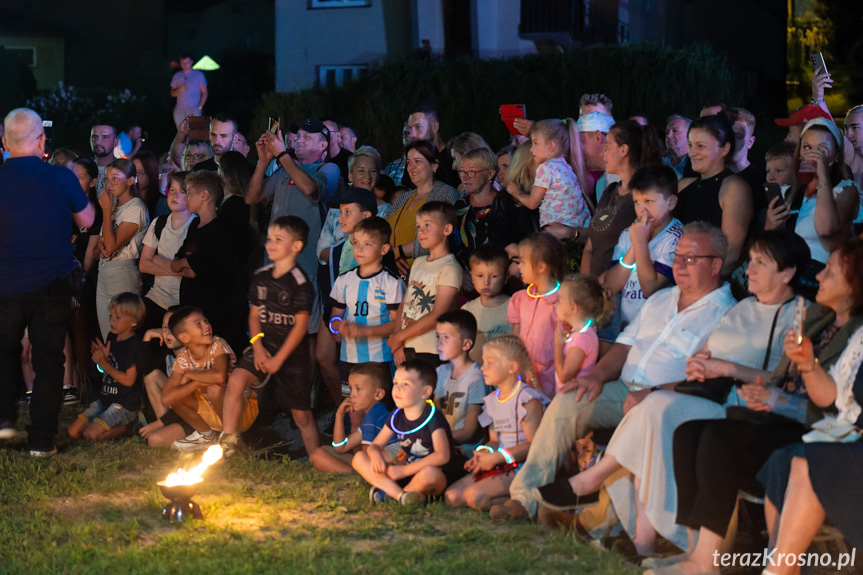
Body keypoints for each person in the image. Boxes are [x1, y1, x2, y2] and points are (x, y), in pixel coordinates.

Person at [535, 231, 809, 557]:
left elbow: (790, 380)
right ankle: (642, 541)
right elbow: (707, 357)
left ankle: (593, 485)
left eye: (760, 263)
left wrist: (728, 369)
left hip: (750, 411)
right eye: (750, 261)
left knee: (654, 404)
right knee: (651, 408)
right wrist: (700, 365)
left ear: (788, 272)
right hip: (713, 399)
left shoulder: (799, 315)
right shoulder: (744, 308)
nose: (748, 269)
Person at [494, 223, 736, 522]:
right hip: (623, 387)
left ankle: (592, 513)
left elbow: (710, 377)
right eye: (678, 256)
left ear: (715, 265)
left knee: (631, 418)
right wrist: (596, 376)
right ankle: (523, 499)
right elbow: (623, 346)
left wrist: (652, 392)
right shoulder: (661, 299)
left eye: (691, 258)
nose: (680, 264)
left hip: (665, 402)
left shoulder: (725, 313)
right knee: (567, 401)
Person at [658, 241, 863, 575]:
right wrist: (763, 392)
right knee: (688, 431)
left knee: (719, 437)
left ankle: (707, 563)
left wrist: (777, 399)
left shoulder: (855, 335)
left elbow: (837, 406)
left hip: (809, 426)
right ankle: (695, 551)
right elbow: (783, 377)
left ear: (855, 284)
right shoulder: (816, 318)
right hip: (780, 416)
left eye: (831, 271)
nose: (820, 275)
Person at [0, 108, 95, 455]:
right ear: (42, 140)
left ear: (4, 141)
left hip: (5, 285)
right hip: (52, 284)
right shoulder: (61, 177)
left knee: (4, 353)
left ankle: (4, 424)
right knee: (49, 360)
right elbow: (87, 218)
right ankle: (42, 440)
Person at [756, 325, 863, 575]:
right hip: (851, 432)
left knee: (808, 464)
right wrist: (807, 363)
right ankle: (781, 564)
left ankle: (777, 570)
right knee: (785, 460)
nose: (818, 282)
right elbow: (830, 398)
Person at [219, 216, 317, 456]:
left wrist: (278, 359)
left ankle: (317, 455)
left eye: (278, 240)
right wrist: (259, 347)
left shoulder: (300, 284)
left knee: (300, 414)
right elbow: (254, 316)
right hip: (265, 344)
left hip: (292, 354)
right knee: (235, 381)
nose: (270, 244)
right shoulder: (261, 275)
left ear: (297, 246)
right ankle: (227, 444)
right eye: (269, 238)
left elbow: (300, 328)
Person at [247, 117, 342, 343]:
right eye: (298, 136)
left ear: (323, 146)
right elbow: (252, 197)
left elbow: (311, 188)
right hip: (274, 267)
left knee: (304, 337)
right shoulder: (284, 170)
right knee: (273, 333)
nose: (299, 140)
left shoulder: (328, 168)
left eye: (307, 137)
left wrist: (282, 156)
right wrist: (262, 162)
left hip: (306, 267)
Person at [445, 335, 548, 511]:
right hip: (499, 463)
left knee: (474, 496)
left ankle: (522, 503)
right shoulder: (492, 400)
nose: (483, 367)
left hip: (523, 467)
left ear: (512, 367)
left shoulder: (527, 399)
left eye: (489, 363)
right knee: (452, 496)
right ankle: (509, 499)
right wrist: (483, 454)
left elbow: (533, 445)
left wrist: (498, 457)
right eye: (483, 362)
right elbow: (495, 440)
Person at [353, 358, 465, 506]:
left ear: (425, 392)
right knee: (359, 458)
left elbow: (442, 456)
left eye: (405, 384)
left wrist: (404, 471)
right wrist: (375, 456)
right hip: (408, 471)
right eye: (395, 383)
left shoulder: (432, 416)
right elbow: (375, 446)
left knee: (429, 474)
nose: (397, 389)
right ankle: (401, 496)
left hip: (438, 474)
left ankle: (389, 494)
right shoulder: (396, 415)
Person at [160, 307, 257, 452]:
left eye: (205, 321)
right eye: (198, 324)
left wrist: (190, 375)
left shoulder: (217, 345)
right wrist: (197, 382)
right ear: (184, 337)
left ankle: (230, 438)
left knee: (215, 387)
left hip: (240, 411)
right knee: (178, 397)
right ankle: (206, 435)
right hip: (213, 413)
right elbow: (167, 398)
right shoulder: (183, 359)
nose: (206, 326)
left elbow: (219, 376)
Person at [329, 216, 405, 399]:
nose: (359, 249)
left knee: (378, 408)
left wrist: (364, 331)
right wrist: (337, 327)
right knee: (353, 407)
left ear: (384, 249)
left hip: (379, 358)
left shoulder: (391, 283)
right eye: (356, 243)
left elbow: (398, 325)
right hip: (349, 358)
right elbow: (334, 317)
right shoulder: (344, 280)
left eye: (367, 244)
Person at [765, 118, 859, 266]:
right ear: (800, 151)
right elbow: (769, 247)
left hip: (823, 277)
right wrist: (771, 227)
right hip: (789, 275)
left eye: (822, 149)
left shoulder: (846, 190)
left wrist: (822, 176)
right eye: (807, 147)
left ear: (835, 155)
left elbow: (825, 230)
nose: (813, 154)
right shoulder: (789, 193)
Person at [171, 170, 246, 353]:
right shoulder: (194, 227)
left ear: (204, 195)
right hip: (192, 306)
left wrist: (185, 264)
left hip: (213, 312)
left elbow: (193, 269)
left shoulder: (219, 232)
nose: (185, 199)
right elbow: (176, 264)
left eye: (189, 194)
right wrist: (184, 264)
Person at [580, 120, 664, 282]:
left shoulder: (644, 199)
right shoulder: (610, 191)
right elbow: (590, 247)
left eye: (607, 146)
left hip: (622, 290)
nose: (601, 153)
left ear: (623, 150)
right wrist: (587, 285)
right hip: (594, 290)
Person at [601, 165, 683, 327]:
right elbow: (611, 285)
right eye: (637, 202)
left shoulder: (676, 237)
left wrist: (639, 243)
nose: (641, 210)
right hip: (625, 327)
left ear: (671, 202)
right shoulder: (629, 234)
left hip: (654, 328)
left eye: (649, 201)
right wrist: (633, 247)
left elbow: (650, 288)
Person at [674, 114, 753, 276]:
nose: (692, 153)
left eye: (701, 146)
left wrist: (702, 288)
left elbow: (731, 253)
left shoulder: (734, 188)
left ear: (725, 148)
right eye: (690, 145)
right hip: (676, 275)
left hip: (709, 283)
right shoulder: (682, 185)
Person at [388, 202, 462, 367]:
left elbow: (437, 314)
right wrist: (398, 340)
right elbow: (405, 303)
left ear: (447, 229)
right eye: (419, 227)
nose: (421, 232)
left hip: (432, 349)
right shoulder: (419, 262)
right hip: (407, 346)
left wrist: (399, 337)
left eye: (427, 225)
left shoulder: (450, 268)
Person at [68, 293, 145, 441]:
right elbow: (105, 370)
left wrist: (104, 363)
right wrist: (99, 361)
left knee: (90, 435)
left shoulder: (134, 344)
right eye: (111, 316)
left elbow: (129, 380)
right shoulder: (111, 337)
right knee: (73, 431)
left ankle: (129, 426)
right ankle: (98, 425)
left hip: (123, 403)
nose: (111, 321)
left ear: (133, 321)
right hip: (105, 399)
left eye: (118, 317)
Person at [507, 232, 567, 398]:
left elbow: (567, 343)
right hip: (524, 375)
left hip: (552, 378)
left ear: (541, 267)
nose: (519, 267)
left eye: (523, 262)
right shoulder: (519, 299)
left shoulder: (563, 301)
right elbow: (515, 336)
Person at [385, 140, 459, 275]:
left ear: (434, 165)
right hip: (395, 274)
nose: (411, 167)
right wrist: (392, 257)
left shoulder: (445, 193)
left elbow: (440, 237)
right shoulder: (404, 197)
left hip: (427, 275)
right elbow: (383, 229)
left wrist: (398, 251)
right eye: (409, 162)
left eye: (417, 161)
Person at [508, 119, 590, 241]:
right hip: (578, 226)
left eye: (535, 143)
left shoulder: (545, 168)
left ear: (551, 146)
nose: (531, 149)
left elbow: (532, 203)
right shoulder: (566, 166)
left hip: (555, 230)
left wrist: (516, 192)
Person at [95, 159, 149, 340]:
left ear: (130, 180)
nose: (109, 185)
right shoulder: (113, 207)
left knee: (123, 334)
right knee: (107, 333)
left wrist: (106, 210)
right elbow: (102, 247)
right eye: (107, 179)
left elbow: (111, 246)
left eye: (115, 179)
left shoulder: (135, 207)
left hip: (123, 271)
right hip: (104, 269)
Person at [308, 363, 397, 473]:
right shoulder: (377, 414)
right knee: (321, 451)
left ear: (378, 394)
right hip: (382, 463)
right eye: (351, 388)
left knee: (317, 456)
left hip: (387, 466)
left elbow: (365, 458)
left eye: (358, 389)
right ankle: (354, 475)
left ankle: (356, 477)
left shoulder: (374, 416)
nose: (352, 395)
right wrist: (339, 415)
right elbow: (340, 447)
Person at [453, 147, 527, 271]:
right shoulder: (460, 205)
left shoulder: (507, 204)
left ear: (490, 174)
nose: (464, 177)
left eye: (471, 171)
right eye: (462, 171)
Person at [138, 172, 196, 330]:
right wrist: (177, 269)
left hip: (182, 303)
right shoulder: (159, 223)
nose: (175, 195)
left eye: (182, 192)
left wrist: (158, 260)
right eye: (172, 190)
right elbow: (143, 265)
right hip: (155, 297)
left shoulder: (196, 226)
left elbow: (192, 271)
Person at [434, 310, 486, 453]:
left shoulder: (476, 377)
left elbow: (469, 432)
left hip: (463, 450)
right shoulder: (440, 372)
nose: (439, 342)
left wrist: (434, 441)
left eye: (446, 337)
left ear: (466, 344)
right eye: (437, 336)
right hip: (440, 444)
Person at [553, 275, 613, 396]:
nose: (555, 304)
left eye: (559, 300)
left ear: (573, 307)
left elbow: (564, 376)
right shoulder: (581, 333)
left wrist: (557, 345)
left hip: (573, 401)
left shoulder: (582, 339)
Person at [461, 244, 512, 365]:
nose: (486, 282)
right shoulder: (467, 310)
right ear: (472, 276)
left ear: (505, 277)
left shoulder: (514, 306)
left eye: (494, 276)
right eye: (480, 276)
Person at [402, 103, 460, 188]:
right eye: (410, 128)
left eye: (418, 127)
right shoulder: (413, 158)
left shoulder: (454, 156)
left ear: (434, 127)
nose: (412, 134)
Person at [170, 53, 207, 129]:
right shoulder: (177, 75)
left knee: (194, 134)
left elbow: (205, 92)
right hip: (180, 110)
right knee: (181, 134)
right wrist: (178, 90)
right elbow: (172, 93)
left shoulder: (199, 75)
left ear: (191, 62)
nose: (185, 65)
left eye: (187, 62)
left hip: (193, 110)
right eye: (182, 62)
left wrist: (199, 108)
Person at [133, 151, 169, 219]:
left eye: (140, 172)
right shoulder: (126, 199)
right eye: (132, 171)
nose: (135, 177)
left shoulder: (162, 203)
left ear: (151, 174)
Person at [90, 123, 119, 196]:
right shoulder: (85, 168)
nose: (98, 142)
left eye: (105, 137)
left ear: (115, 142)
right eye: (94, 137)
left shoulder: (122, 169)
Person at [663, 115, 694, 179]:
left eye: (675, 131)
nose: (669, 135)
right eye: (667, 132)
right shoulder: (662, 162)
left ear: (690, 135)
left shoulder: (697, 162)